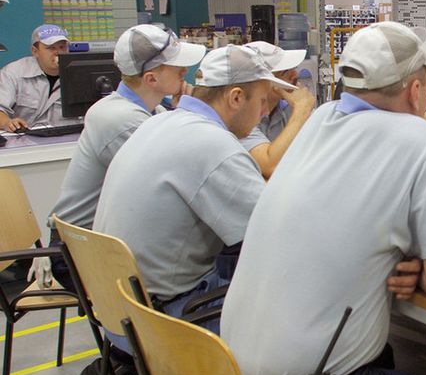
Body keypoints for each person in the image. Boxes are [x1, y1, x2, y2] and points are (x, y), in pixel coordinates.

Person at [221, 22, 426, 375]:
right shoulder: (418, 138)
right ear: (416, 91)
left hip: (227, 364)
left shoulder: (321, 119)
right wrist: (423, 272)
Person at [94, 45, 295, 330]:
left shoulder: (160, 122)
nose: (264, 112)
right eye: (262, 101)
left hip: (120, 312)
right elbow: (278, 231)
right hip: (168, 321)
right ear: (236, 97)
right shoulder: (213, 145)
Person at [28, 25, 205, 292]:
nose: (184, 71)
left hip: (100, 244)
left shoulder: (152, 110)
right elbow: (181, 179)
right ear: (151, 79)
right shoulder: (121, 119)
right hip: (80, 256)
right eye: (176, 66)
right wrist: (193, 115)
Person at [240, 41, 317, 178]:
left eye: (294, 68)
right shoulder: (241, 117)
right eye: (285, 72)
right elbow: (270, 166)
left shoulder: (287, 108)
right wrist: (302, 109)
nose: (295, 75)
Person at [0, 24, 79, 130]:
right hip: (24, 137)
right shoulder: (13, 73)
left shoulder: (79, 73)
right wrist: (7, 123)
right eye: (51, 48)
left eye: (62, 47)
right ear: (35, 51)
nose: (58, 53)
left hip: (68, 136)